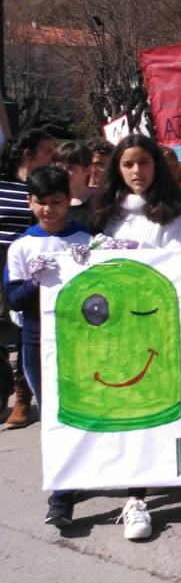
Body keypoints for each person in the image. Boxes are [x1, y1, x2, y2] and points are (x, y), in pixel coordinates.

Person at [90, 134, 181, 540]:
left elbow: (180, 263)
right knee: (130, 407)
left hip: (163, 323)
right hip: (117, 328)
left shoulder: (178, 209)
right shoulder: (104, 212)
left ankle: (175, 467)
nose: (137, 172)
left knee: (164, 404)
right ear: (117, 167)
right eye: (129, 164)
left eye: (145, 163)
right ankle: (136, 497)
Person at [2, 165, 92, 528]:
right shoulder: (21, 247)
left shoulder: (85, 239)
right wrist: (35, 281)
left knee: (83, 409)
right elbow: (13, 300)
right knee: (53, 414)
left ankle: (84, 472)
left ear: (68, 202)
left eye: (56, 202)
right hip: (37, 340)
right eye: (41, 203)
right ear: (30, 202)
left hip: (81, 339)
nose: (49, 210)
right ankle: (60, 492)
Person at [0, 128, 56, 426]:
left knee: (24, 329)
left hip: (26, 264)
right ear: (28, 153)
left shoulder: (41, 190)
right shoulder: (3, 184)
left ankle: (23, 396)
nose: (52, 157)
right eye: (48, 151)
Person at [51, 141, 96, 208]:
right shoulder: (49, 199)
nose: (63, 171)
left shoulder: (100, 201)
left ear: (88, 170)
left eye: (70, 167)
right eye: (59, 167)